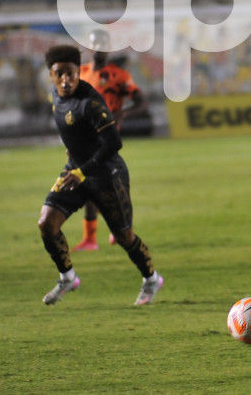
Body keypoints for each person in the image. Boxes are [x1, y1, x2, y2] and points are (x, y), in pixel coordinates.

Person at [39, 45, 163, 306]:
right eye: (59, 73)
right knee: (47, 223)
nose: (65, 79)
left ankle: (152, 279)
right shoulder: (56, 95)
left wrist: (82, 170)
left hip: (106, 174)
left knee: (123, 237)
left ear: (78, 73)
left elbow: (113, 143)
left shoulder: (91, 103)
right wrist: (74, 159)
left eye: (71, 73)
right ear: (51, 75)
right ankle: (68, 277)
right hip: (75, 171)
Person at [73, 29, 148, 251]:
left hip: (106, 138)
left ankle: (115, 231)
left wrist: (124, 113)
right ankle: (95, 237)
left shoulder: (119, 76)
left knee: (104, 186)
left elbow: (142, 103)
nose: (99, 48)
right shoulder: (81, 74)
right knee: (93, 187)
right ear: (89, 46)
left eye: (104, 44)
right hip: (84, 139)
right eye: (96, 43)